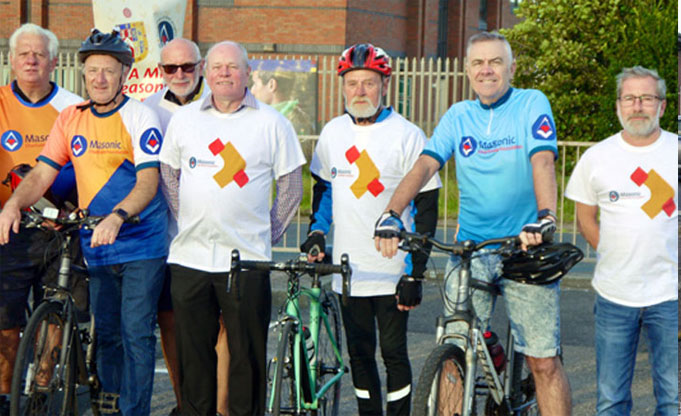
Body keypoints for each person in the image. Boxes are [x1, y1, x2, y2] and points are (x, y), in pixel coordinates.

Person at [372, 31, 570, 415]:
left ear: (511, 68)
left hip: (524, 247)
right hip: (470, 249)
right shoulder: (458, 116)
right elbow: (426, 164)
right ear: (466, 70)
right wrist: (391, 213)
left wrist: (546, 217)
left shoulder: (531, 103)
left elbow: (542, 160)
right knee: (454, 355)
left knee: (542, 361)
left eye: (495, 62)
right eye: (478, 63)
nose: (486, 70)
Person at [0, 28, 171, 415]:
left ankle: (134, 411)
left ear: (124, 74)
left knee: (135, 333)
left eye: (108, 71)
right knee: (106, 332)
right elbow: (42, 173)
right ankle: (109, 405)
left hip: (140, 241)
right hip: (99, 242)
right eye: (92, 70)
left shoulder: (140, 115)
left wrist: (118, 216)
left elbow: (148, 181)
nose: (99, 79)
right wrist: (13, 205)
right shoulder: (70, 117)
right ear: (83, 73)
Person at [159, 40, 305, 415]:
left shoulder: (272, 123)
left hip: (247, 262)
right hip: (190, 258)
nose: (225, 73)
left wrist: (264, 233)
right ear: (206, 72)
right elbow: (169, 174)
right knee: (193, 356)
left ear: (248, 73)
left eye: (233, 67)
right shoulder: (186, 119)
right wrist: (189, 218)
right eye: (218, 66)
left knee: (247, 358)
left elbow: (291, 184)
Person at [301, 43, 440, 415]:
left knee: (394, 355)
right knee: (359, 356)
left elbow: (427, 210)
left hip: (393, 270)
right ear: (343, 87)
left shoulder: (408, 135)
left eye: (369, 83)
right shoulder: (332, 133)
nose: (360, 91)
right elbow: (325, 192)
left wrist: (416, 274)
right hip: (349, 271)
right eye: (352, 83)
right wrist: (317, 232)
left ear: (384, 86)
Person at [564, 66, 677, 416]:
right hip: (615, 294)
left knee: (672, 399)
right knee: (611, 399)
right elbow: (584, 219)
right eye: (630, 98)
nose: (637, 106)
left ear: (661, 105)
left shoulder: (679, 151)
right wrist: (614, 254)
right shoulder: (597, 157)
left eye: (646, 98)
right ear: (618, 105)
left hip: (670, 295)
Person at [143, 37, 228, 415]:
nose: (179, 74)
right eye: (170, 68)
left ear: (201, 66)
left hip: (218, 234)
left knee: (223, 327)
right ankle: (185, 404)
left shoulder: (223, 104)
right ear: (160, 71)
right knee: (173, 323)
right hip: (169, 238)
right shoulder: (147, 110)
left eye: (187, 67)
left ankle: (222, 406)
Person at [0, 23, 82, 409]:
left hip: (57, 227)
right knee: (6, 321)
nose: (31, 60)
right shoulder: (0, 101)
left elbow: (85, 163)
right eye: (23, 53)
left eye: (39, 54)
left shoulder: (71, 105)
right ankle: (6, 396)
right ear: (11, 60)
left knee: (54, 315)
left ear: (53, 61)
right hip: (9, 226)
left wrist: (66, 207)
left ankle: (42, 393)